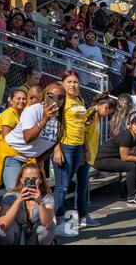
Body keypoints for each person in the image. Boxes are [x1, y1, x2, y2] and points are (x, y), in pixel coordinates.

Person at [0, 83, 65, 189]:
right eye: (51, 96)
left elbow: (51, 141)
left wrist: (55, 150)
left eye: (60, 97)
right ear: (45, 95)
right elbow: (27, 138)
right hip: (13, 155)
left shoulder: (60, 117)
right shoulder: (33, 110)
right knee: (15, 193)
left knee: (31, 194)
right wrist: (44, 120)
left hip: (31, 159)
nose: (56, 100)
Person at [94, 116, 136, 208]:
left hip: (113, 159)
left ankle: (133, 193)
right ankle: (131, 197)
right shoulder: (126, 135)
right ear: (130, 126)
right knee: (131, 166)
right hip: (101, 160)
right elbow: (125, 157)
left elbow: (133, 155)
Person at [53, 71, 87, 238]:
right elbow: (55, 124)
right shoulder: (61, 100)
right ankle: (58, 221)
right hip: (65, 146)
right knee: (62, 186)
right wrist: (56, 148)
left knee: (67, 184)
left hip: (78, 146)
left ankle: (61, 219)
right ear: (63, 84)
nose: (73, 85)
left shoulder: (80, 99)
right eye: (69, 82)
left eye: (75, 82)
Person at [75, 92, 116, 228]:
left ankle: (83, 215)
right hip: (84, 154)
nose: (108, 112)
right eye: (107, 109)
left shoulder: (96, 116)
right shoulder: (91, 113)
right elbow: (82, 132)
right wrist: (86, 150)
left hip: (89, 155)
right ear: (101, 106)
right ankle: (82, 216)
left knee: (83, 187)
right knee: (81, 187)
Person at [0, 163, 55, 245]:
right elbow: (3, 225)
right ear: (21, 180)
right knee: (3, 229)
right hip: (16, 237)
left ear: (41, 180)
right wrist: (18, 201)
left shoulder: (47, 197)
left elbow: (47, 224)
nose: (31, 182)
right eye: (27, 179)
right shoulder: (11, 196)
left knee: (49, 227)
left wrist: (40, 202)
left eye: (34, 179)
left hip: (34, 238)